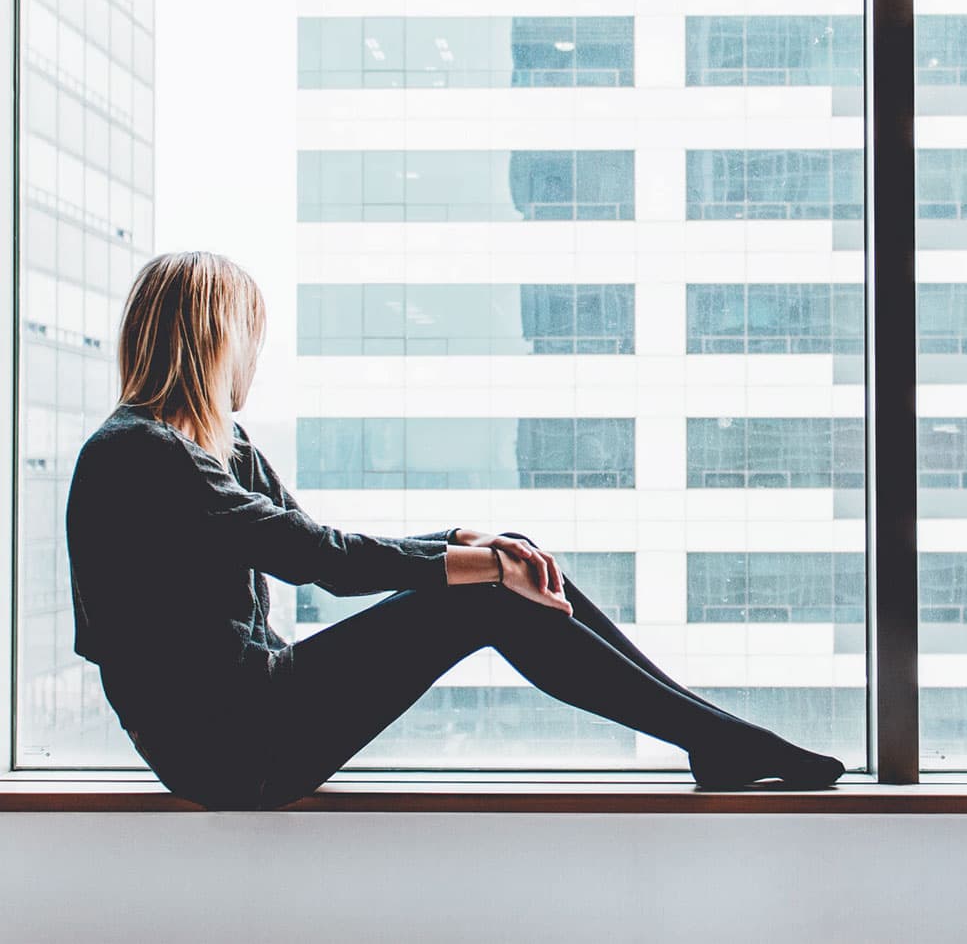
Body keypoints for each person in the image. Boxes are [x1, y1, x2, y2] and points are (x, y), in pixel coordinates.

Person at [65, 251, 845, 809]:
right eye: (252, 339)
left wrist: (475, 540)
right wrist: (476, 564)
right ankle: (712, 736)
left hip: (255, 713)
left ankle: (708, 733)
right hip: (230, 746)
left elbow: (312, 537)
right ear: (214, 341)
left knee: (503, 558)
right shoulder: (136, 453)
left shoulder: (221, 449)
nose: (257, 361)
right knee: (488, 591)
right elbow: (318, 560)